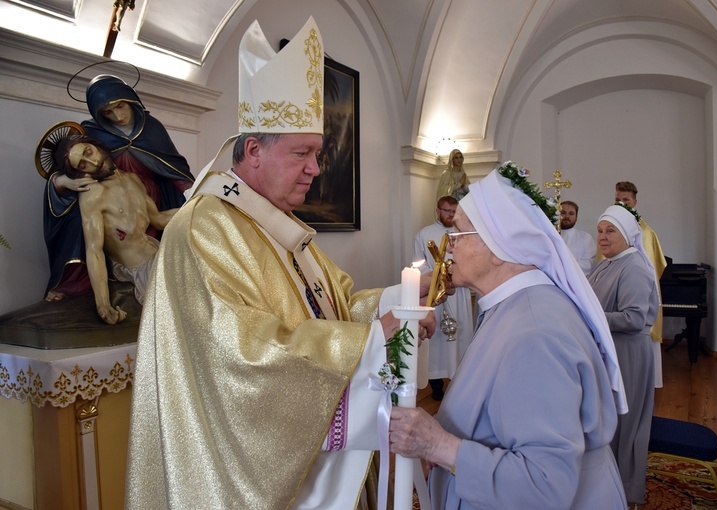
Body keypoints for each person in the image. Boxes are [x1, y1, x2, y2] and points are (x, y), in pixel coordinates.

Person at [125, 17, 435, 509]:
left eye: (317, 153)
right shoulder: (203, 230)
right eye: (302, 153)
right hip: (236, 477)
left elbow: (337, 302)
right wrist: (372, 339)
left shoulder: (277, 224)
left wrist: (397, 305)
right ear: (253, 151)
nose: (315, 168)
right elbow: (237, 356)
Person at [389, 161, 628, 509]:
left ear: (499, 246)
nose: (448, 246)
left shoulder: (535, 334)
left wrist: (436, 445)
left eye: (457, 234)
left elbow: (544, 484)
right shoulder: (514, 306)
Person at [43, 74, 193, 302]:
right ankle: (74, 283)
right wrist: (64, 182)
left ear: (131, 100)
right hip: (110, 201)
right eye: (108, 113)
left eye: (120, 106)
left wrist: (194, 194)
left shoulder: (151, 128)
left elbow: (173, 167)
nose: (118, 116)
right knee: (77, 219)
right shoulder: (91, 134)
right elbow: (71, 166)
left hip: (146, 193)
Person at [54, 135, 177, 324]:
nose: (94, 161)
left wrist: (198, 206)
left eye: (88, 152)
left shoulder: (132, 179)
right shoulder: (93, 194)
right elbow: (94, 251)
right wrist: (103, 305)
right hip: (140, 270)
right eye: (83, 165)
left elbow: (159, 220)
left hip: (160, 254)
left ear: (95, 145)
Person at [588, 203, 659, 506]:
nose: (602, 237)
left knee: (624, 425)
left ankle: (624, 490)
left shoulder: (633, 266)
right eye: (600, 231)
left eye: (610, 231)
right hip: (613, 353)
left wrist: (591, 316)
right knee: (609, 422)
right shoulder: (608, 262)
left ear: (628, 234)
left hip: (628, 355)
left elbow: (632, 318)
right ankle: (605, 484)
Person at [413, 195, 473, 400]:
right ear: (438, 210)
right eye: (447, 210)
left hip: (459, 289)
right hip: (435, 291)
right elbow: (419, 263)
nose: (451, 215)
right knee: (437, 337)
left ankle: (460, 380)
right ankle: (436, 384)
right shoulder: (424, 234)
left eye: (454, 211)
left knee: (461, 334)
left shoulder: (463, 232)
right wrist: (439, 276)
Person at [614, 181, 666, 388]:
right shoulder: (611, 227)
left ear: (634, 202)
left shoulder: (645, 232)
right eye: (618, 199)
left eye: (626, 200)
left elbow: (655, 266)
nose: (622, 203)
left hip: (639, 292)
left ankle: (647, 383)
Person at [560, 199, 597, 274]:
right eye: (563, 213)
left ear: (576, 217)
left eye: (571, 213)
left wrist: (563, 267)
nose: (567, 216)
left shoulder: (586, 238)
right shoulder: (549, 236)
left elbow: (589, 263)